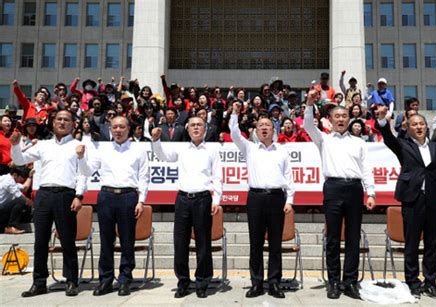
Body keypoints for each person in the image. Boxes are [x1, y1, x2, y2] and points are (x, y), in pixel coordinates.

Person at [303, 90, 376, 300]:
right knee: (333, 238)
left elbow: (366, 169)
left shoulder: (359, 142)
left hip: (354, 189)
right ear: (330, 120)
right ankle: (333, 281)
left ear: (350, 119)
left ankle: (350, 281)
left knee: (353, 237)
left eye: (344, 116)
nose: (341, 119)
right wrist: (309, 103)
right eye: (337, 116)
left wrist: (370, 192)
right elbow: (308, 125)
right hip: (333, 189)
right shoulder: (324, 140)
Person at [375, 106, 436, 300]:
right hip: (412, 199)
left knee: (433, 243)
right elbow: (389, 138)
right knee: (411, 243)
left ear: (426, 127)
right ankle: (412, 282)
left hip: (433, 200)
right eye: (414, 124)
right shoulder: (403, 145)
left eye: (421, 124)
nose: (418, 127)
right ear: (408, 128)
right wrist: (384, 121)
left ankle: (430, 282)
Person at [11, 109, 87, 297]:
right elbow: (19, 159)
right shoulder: (43, 145)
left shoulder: (78, 145)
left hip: (66, 195)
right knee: (40, 241)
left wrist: (79, 196)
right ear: (53, 123)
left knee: (68, 240)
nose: (62, 122)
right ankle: (39, 282)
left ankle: (71, 281)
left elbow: (83, 173)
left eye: (66, 120)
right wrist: (14, 145)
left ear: (72, 124)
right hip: (44, 195)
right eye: (59, 119)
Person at [150, 116, 222, 299]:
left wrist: (217, 200)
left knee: (203, 242)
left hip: (203, 199)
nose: (196, 128)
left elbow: (217, 176)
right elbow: (163, 156)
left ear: (205, 129)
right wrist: (156, 140)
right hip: (182, 199)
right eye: (192, 125)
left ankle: (202, 282)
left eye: (199, 125)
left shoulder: (212, 150)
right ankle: (183, 282)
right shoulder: (181, 148)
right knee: (180, 243)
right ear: (187, 129)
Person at [77, 116, 149, 296]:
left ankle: (125, 279)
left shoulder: (138, 150)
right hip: (106, 196)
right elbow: (87, 171)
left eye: (121, 127)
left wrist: (141, 201)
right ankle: (105, 280)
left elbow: (144, 177)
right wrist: (80, 158)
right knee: (106, 239)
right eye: (114, 127)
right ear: (110, 129)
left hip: (128, 196)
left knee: (127, 240)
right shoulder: (102, 149)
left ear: (128, 128)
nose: (118, 130)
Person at [229, 101, 295, 299]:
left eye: (268, 125)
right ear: (255, 130)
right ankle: (256, 282)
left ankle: (274, 282)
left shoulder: (282, 150)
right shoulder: (249, 147)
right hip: (256, 198)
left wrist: (289, 200)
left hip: (276, 198)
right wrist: (234, 113)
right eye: (260, 126)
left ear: (274, 128)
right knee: (255, 243)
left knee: (275, 243)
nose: (264, 128)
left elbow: (289, 177)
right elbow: (233, 133)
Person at [0, 166, 33, 234]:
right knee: (20, 200)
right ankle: (11, 226)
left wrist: (30, 177)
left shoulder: (8, 179)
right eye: (22, 177)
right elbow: (22, 198)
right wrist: (36, 206)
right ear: (15, 175)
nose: (23, 180)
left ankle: (4, 229)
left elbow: (25, 188)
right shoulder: (8, 181)